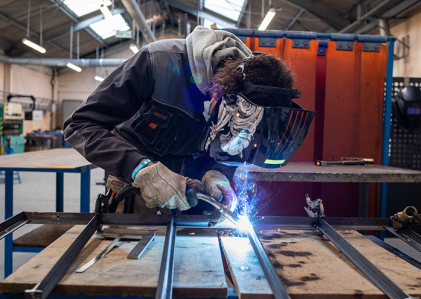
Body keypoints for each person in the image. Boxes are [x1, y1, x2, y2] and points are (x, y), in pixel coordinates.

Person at [63, 26, 300, 220]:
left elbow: (228, 146)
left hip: (196, 197)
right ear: (218, 93)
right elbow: (81, 124)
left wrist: (217, 173)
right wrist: (141, 169)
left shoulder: (247, 94)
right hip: (137, 197)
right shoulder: (157, 62)